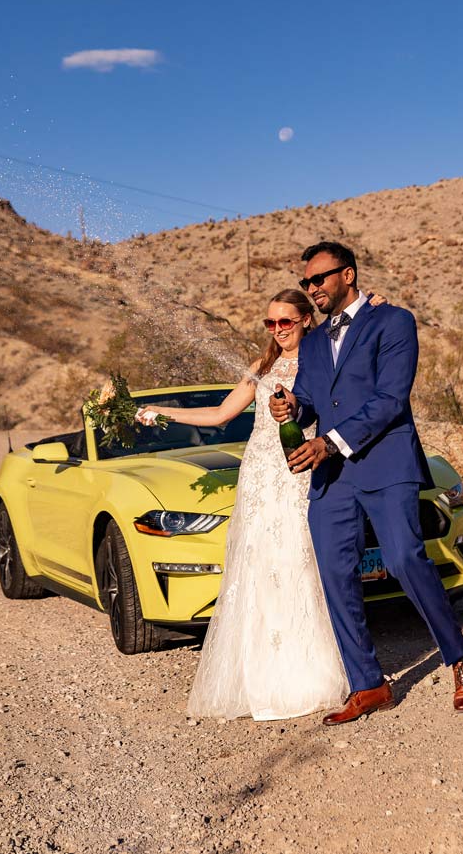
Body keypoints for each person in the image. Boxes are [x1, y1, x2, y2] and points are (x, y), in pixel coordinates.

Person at [269, 242, 463, 725]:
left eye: (319, 280)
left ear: (347, 274)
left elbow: (391, 399)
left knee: (405, 558)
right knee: (335, 574)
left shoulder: (394, 322)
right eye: (306, 282)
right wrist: (291, 406)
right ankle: (368, 683)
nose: (312, 289)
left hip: (385, 465)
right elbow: (309, 398)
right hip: (331, 478)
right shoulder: (313, 340)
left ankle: (461, 659)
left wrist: (329, 441)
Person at [137, 289, 357, 720]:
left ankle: (312, 673)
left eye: (286, 323)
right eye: (270, 324)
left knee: (298, 563)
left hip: (297, 470)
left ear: (306, 320)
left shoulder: (322, 358)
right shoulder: (262, 366)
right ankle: (259, 677)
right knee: (256, 565)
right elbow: (220, 414)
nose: (278, 331)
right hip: (258, 474)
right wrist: (161, 411)